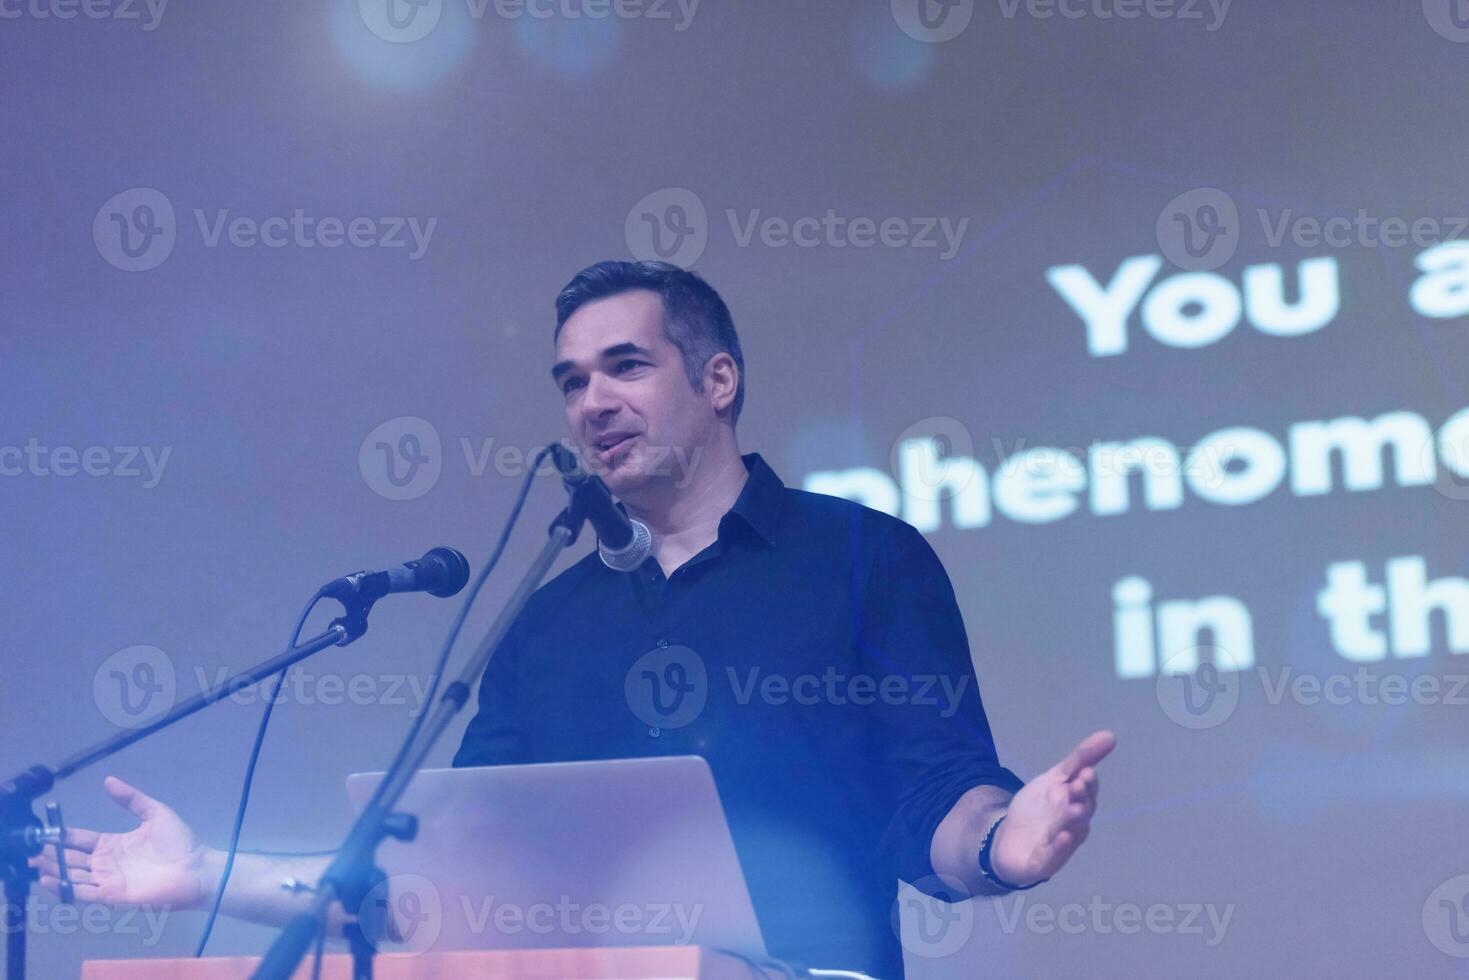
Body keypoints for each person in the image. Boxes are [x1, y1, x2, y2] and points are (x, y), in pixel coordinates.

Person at [34, 261, 1114, 978]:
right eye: (569, 380)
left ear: (720, 377)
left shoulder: (857, 555)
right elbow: (437, 881)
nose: (591, 400)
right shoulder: (544, 621)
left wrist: (1000, 840)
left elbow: (927, 794)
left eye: (625, 365)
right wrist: (205, 872)